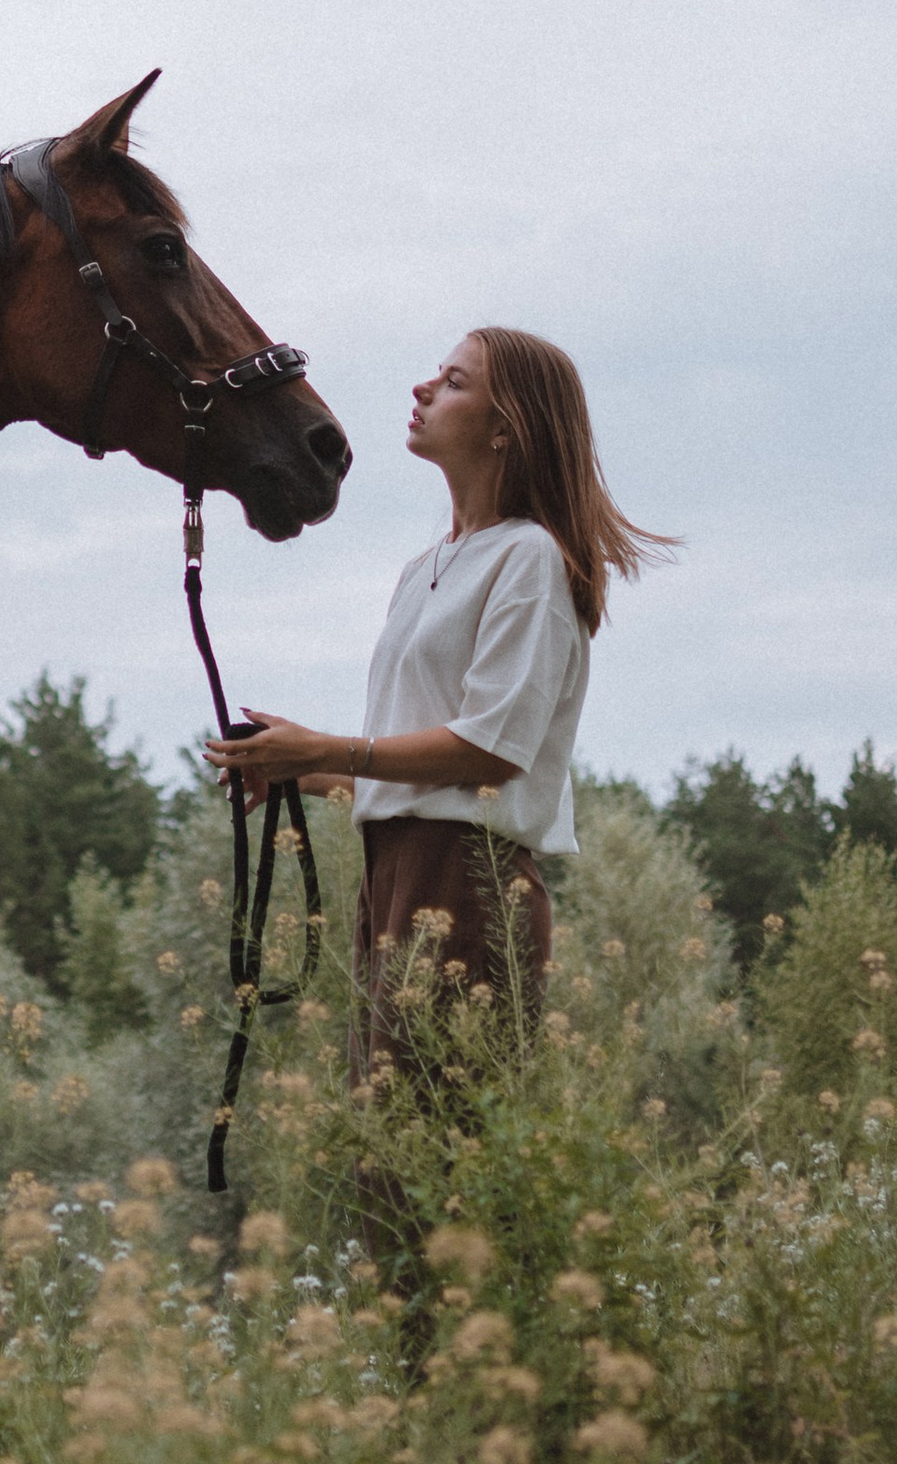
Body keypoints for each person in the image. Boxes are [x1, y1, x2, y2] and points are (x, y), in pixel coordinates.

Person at [208, 327, 668, 1069]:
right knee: (387, 1154)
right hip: (390, 875)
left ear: (504, 429)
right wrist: (298, 767)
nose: (423, 389)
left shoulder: (530, 557)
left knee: (434, 1150)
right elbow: (412, 771)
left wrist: (324, 746)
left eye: (454, 382)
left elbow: (487, 752)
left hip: (468, 881)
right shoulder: (425, 567)